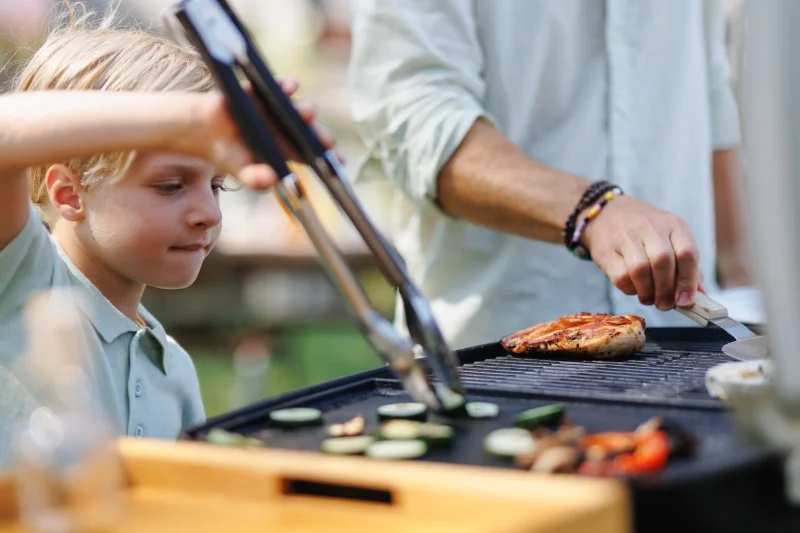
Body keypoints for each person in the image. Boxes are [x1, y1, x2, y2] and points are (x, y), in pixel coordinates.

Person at [0, 4, 325, 464]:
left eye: (216, 185)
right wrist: (189, 120)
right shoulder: (23, 280)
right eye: (171, 185)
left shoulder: (174, 368)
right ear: (69, 193)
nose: (208, 213)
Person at [348, 0, 752, 349]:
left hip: (689, 345)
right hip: (493, 356)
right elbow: (417, 123)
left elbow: (710, 93)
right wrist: (594, 211)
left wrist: (745, 283)